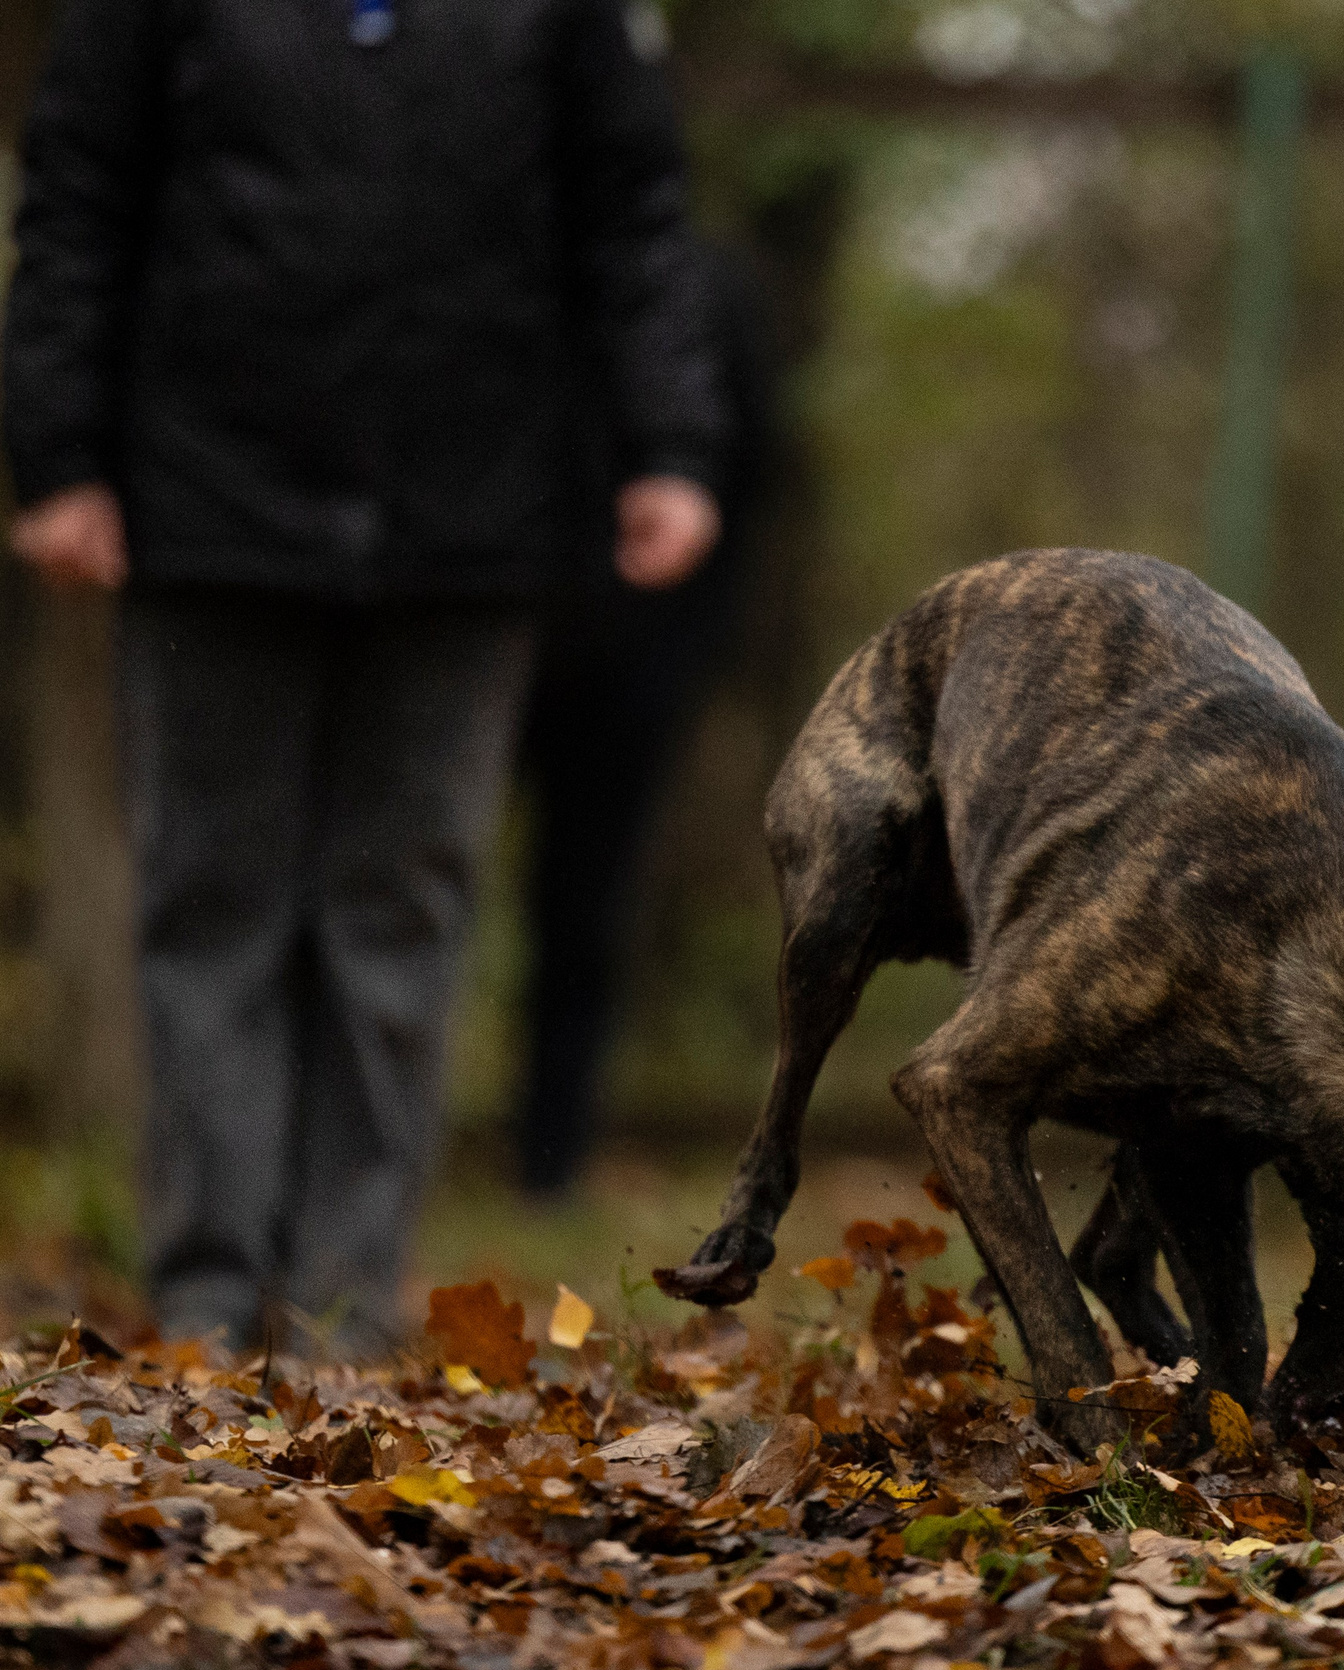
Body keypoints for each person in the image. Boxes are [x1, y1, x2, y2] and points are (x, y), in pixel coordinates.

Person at [4, 0, 726, 1357]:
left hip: (476, 512)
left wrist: (668, 447)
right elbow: (79, 196)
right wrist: (58, 457)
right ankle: (210, 1297)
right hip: (207, 501)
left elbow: (633, 218)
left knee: (402, 900)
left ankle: (341, 1304)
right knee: (213, 897)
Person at [515, 241, 775, 1201]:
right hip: (476, 640)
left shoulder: (706, 292)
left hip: (633, 665)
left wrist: (689, 648)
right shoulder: (490, 270)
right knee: (413, 893)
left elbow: (752, 481)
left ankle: (552, 1159)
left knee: (586, 913)